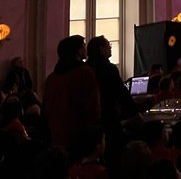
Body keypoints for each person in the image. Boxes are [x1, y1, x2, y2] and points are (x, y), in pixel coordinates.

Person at [43, 35, 101, 148]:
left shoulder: (51, 78)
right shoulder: (85, 73)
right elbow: (93, 106)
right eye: (83, 46)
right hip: (78, 133)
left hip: (54, 132)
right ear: (78, 51)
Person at [86, 35, 137, 165]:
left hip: (90, 120)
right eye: (108, 46)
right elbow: (122, 94)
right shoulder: (109, 68)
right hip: (110, 117)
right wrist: (136, 112)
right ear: (101, 49)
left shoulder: (85, 69)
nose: (110, 48)